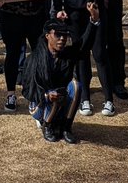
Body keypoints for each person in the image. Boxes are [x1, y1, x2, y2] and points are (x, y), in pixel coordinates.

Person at [22, 14, 99, 143]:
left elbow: (84, 45)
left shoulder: (67, 54)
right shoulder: (34, 59)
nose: (62, 39)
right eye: (58, 35)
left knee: (76, 86)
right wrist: (46, 96)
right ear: (47, 36)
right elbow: (27, 90)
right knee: (55, 94)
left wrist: (93, 21)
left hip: (60, 99)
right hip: (39, 103)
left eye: (65, 35)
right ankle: (47, 127)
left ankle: (66, 128)